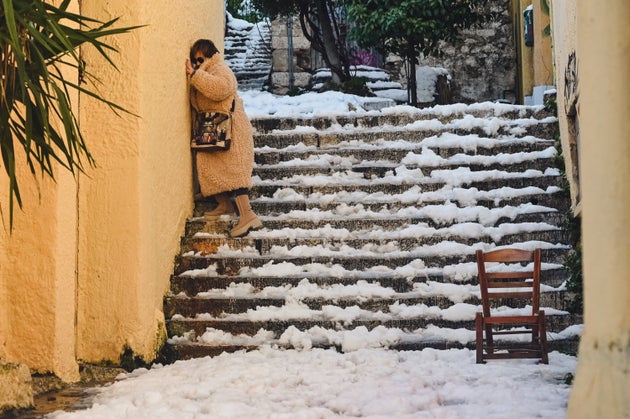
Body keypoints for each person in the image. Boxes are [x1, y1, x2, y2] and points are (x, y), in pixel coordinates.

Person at [185, 39, 262, 238]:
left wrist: (195, 75)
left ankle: (248, 215)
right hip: (215, 127)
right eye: (194, 61)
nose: (197, 63)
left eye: (200, 59)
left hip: (232, 129)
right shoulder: (207, 71)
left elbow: (222, 89)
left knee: (234, 171)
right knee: (213, 168)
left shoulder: (220, 69)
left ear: (210, 55)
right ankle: (224, 204)